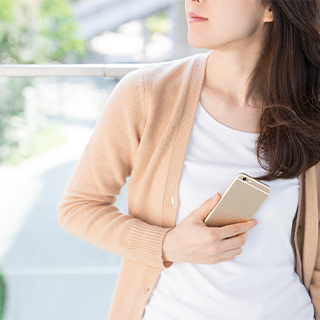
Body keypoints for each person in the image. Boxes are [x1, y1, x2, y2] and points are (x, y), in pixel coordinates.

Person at [58, 0, 320, 319]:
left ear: (272, 9)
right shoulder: (146, 94)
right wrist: (166, 244)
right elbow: (78, 206)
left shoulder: (311, 109)